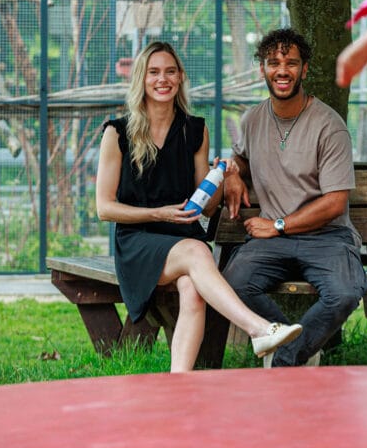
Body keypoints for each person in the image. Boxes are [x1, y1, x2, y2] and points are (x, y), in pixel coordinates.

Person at [95, 40, 302, 372]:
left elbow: (205, 208)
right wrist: (158, 213)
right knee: (197, 252)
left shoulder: (195, 129)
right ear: (141, 79)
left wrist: (222, 177)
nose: (162, 79)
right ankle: (259, 329)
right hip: (138, 242)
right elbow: (105, 208)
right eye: (154, 72)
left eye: (170, 72)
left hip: (184, 238)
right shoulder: (117, 133)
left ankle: (180, 383)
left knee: (192, 288)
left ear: (180, 78)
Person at [221, 27, 367, 367]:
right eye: (273, 63)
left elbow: (334, 203)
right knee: (232, 285)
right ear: (262, 69)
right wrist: (232, 173)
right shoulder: (252, 119)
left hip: (326, 237)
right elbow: (241, 157)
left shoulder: (329, 125)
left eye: (291, 63)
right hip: (272, 243)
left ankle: (286, 358)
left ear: (305, 69)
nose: (282, 71)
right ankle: (298, 342)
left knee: (345, 293)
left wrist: (278, 225)